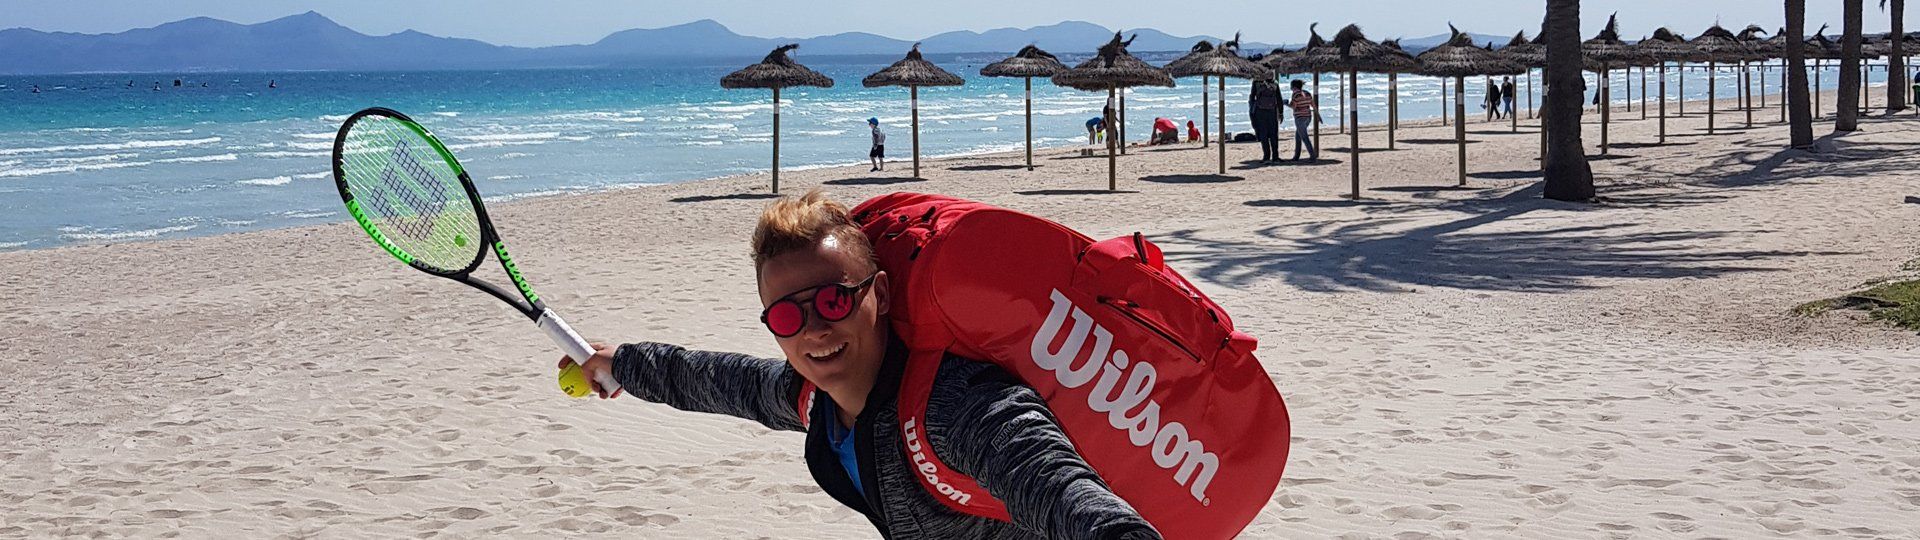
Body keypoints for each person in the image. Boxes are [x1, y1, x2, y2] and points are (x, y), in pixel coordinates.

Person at [564, 191, 1161, 539]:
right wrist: (623, 365)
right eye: (787, 318)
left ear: (878, 292)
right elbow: (719, 381)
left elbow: (1055, 485)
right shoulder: (816, 399)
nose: (815, 330)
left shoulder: (959, 406)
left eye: (831, 300)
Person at [1250, 79, 1282, 163]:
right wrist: (1281, 112)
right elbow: (1279, 98)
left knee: (1263, 134)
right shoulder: (1274, 83)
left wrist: (1252, 110)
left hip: (1260, 111)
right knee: (1274, 134)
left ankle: (1266, 157)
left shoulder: (1256, 82)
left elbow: (1252, 97)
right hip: (1272, 111)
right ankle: (1275, 157)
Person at [1288, 79, 1319, 161]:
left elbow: (1293, 106)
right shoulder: (1307, 93)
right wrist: (1318, 115)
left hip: (1300, 118)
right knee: (1298, 136)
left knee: (1305, 137)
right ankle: (1296, 156)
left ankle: (1312, 156)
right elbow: (1313, 104)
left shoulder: (1295, 95)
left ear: (1294, 87)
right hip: (1308, 117)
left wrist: (1286, 103)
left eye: (1291, 86)